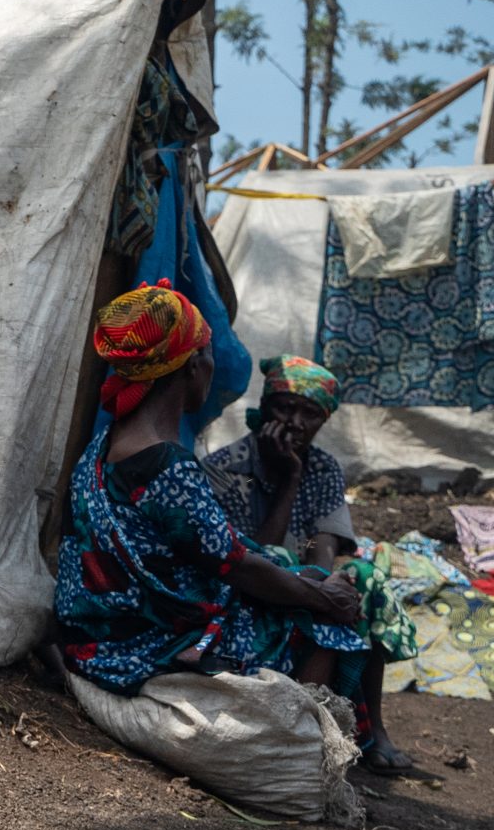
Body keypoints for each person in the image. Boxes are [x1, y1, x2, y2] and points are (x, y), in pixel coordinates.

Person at [53, 283, 365, 708]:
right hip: (137, 647)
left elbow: (236, 553)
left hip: (103, 628)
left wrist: (308, 579)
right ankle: (306, 738)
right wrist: (319, 595)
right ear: (194, 366)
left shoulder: (108, 442)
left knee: (306, 579)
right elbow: (237, 566)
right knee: (327, 622)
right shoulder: (170, 467)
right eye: (211, 353)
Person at [200, 354, 418, 771]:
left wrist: (320, 579)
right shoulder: (226, 469)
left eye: (310, 413)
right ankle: (302, 732)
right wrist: (288, 482)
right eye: (285, 408)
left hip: (303, 584)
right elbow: (251, 559)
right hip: (249, 590)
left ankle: (372, 730)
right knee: (291, 567)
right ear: (265, 408)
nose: (296, 422)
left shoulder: (323, 469)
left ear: (323, 421)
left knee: (362, 579)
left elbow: (322, 552)